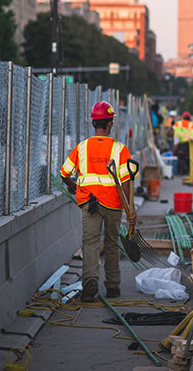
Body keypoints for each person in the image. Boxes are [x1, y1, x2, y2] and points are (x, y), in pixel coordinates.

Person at [60, 101, 134, 302]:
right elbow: (126, 183)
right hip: (113, 204)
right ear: (109, 124)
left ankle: (90, 282)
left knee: (90, 243)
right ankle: (113, 287)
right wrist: (130, 210)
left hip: (89, 204)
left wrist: (73, 185)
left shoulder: (81, 148)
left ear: (94, 124)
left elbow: (64, 173)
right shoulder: (120, 150)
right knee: (112, 243)